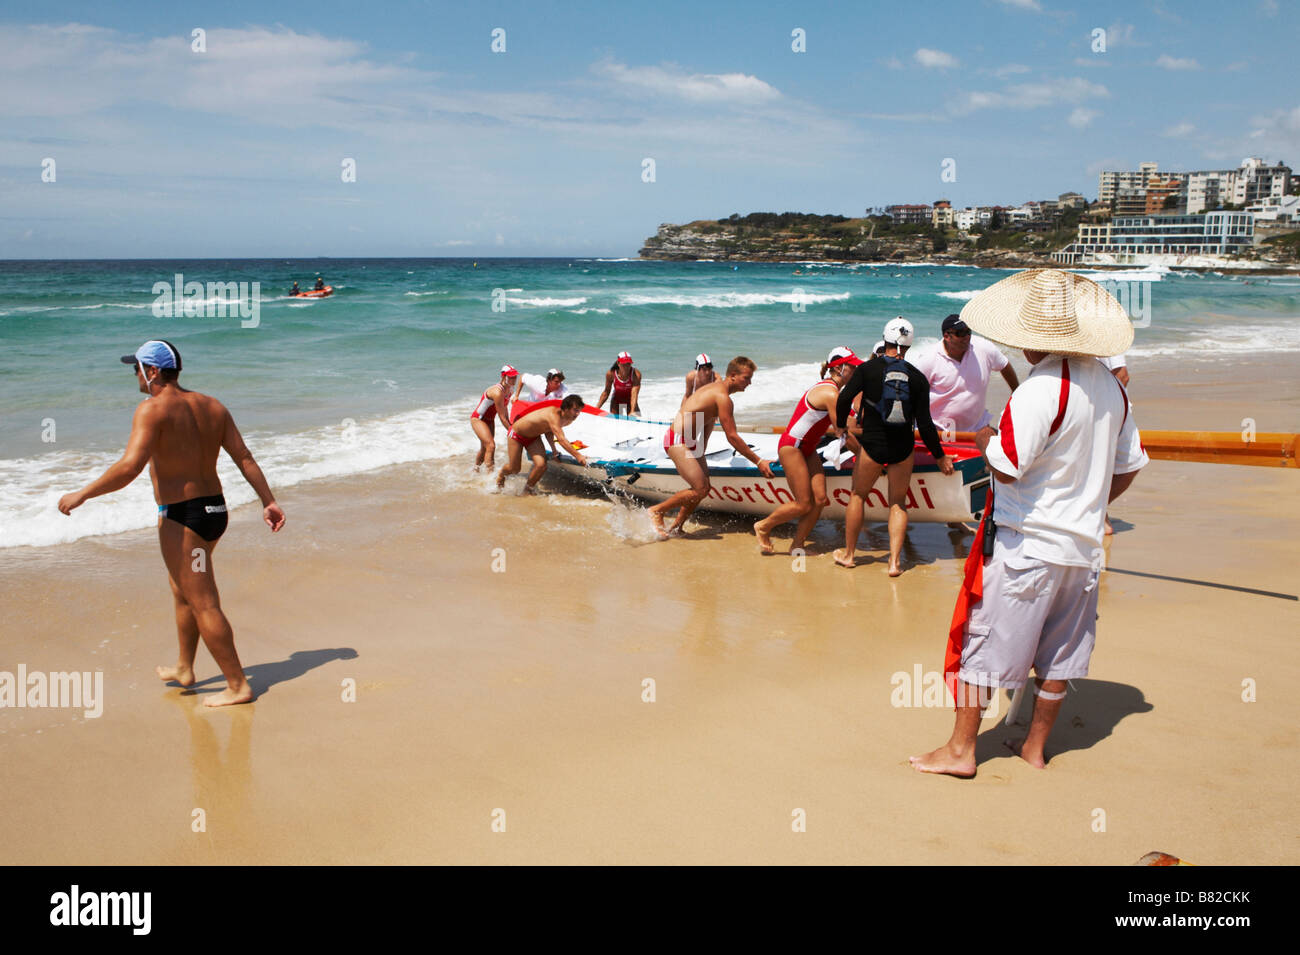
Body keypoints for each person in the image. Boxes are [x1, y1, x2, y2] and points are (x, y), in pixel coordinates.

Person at [910, 269, 1147, 777]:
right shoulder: (1114, 389)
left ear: (1032, 339)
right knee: (1061, 655)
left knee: (985, 644)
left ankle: (960, 751)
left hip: (1028, 547)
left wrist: (984, 443)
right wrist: (1091, 508)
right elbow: (1128, 467)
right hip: (1083, 551)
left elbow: (1006, 468)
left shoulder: (1039, 389)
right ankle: (1035, 749)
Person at [56, 340, 286, 707]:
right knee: (183, 590)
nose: (134, 375)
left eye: (136, 368)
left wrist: (82, 494)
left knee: (204, 602)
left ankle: (238, 685)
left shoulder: (152, 409)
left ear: (153, 372)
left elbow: (129, 468)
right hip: (214, 512)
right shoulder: (213, 405)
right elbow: (244, 457)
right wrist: (268, 500)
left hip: (184, 518)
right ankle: (184, 668)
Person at [834, 318, 953, 576]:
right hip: (903, 447)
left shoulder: (867, 370)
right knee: (897, 503)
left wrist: (841, 425)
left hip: (873, 445)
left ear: (884, 339)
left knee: (858, 495)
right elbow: (926, 423)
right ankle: (894, 563)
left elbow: (844, 398)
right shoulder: (917, 377)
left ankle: (849, 555)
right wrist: (940, 456)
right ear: (909, 344)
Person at [649, 357, 774, 537]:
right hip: (677, 439)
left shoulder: (717, 392)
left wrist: (700, 451)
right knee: (700, 488)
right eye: (746, 378)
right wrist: (759, 461)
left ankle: (676, 527)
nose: (750, 382)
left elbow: (705, 421)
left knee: (704, 488)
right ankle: (658, 510)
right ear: (732, 375)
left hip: (691, 442)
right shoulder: (722, 397)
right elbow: (732, 436)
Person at [753, 347, 861, 555]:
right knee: (803, 504)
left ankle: (798, 544)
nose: (856, 371)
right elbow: (843, 432)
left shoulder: (835, 392)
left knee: (820, 500)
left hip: (808, 448)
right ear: (839, 368)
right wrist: (867, 457)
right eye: (852, 366)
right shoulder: (830, 392)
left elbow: (850, 425)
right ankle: (763, 526)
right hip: (792, 447)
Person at [909, 314, 1020, 434]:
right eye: (960, 333)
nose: (966, 337)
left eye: (968, 332)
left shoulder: (984, 348)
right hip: (941, 431)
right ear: (947, 336)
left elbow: (1004, 365)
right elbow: (912, 393)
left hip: (978, 428)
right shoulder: (929, 359)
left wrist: (1016, 394)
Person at [495, 394, 588, 493]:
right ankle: (501, 474)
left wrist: (554, 451)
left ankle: (527, 490)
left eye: (579, 410)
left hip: (533, 437)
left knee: (541, 465)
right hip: (516, 435)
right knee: (514, 469)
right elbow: (561, 439)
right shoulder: (553, 415)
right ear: (566, 408)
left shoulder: (568, 419)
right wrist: (578, 456)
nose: (578, 414)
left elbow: (549, 431)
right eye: (575, 410)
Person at [1100, 352, 1130, 534]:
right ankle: (1098, 511)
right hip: (1112, 411)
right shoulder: (1105, 334)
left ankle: (1097, 510)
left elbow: (1123, 376)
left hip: (1108, 412)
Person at [470, 365, 518, 471]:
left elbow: (505, 410)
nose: (514, 379)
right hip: (478, 419)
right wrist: (512, 432)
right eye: (511, 377)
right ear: (503, 376)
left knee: (485, 448)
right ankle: (490, 477)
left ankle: (475, 470)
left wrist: (511, 425)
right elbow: (501, 417)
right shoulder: (497, 392)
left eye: (515, 376)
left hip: (490, 420)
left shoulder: (510, 389)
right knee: (491, 446)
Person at [596, 351, 642, 416]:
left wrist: (632, 411)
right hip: (616, 401)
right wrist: (597, 408)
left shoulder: (636, 374)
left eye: (628, 364)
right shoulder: (611, 373)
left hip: (631, 401)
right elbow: (606, 392)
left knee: (636, 421)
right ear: (618, 363)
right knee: (615, 424)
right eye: (624, 364)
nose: (626, 367)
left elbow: (634, 394)